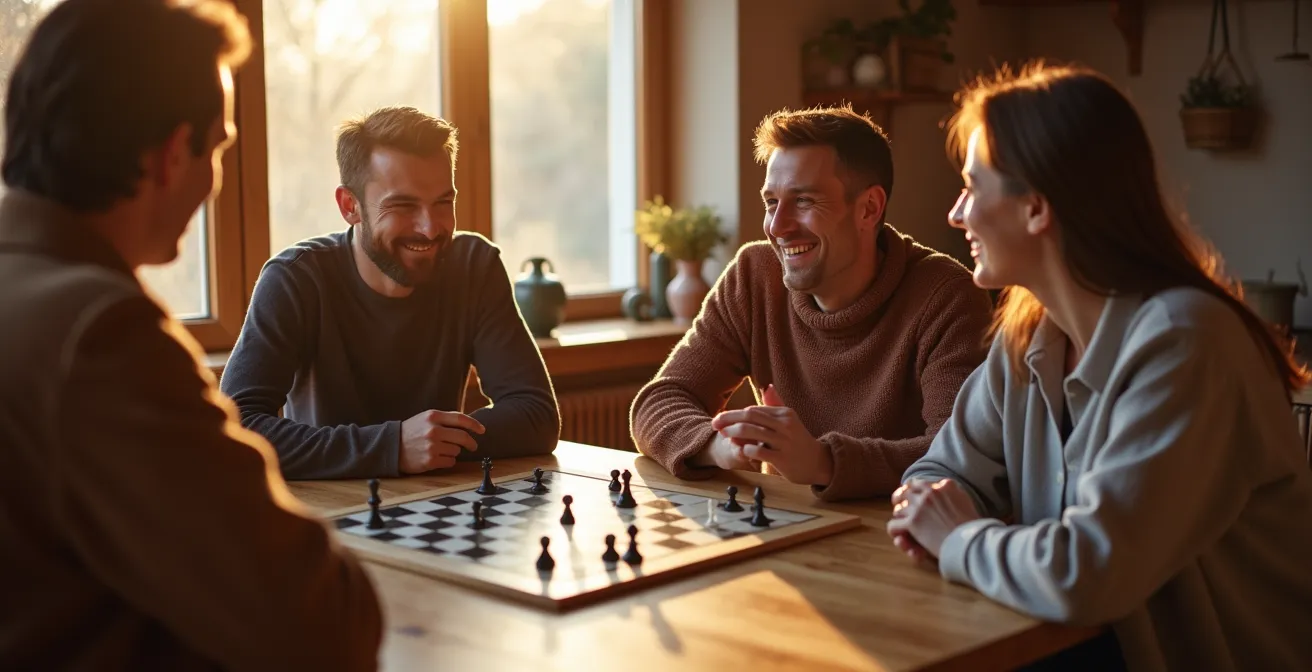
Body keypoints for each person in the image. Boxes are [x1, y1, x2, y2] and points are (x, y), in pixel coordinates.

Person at [888, 62, 1312, 670]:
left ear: (1037, 208)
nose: (957, 214)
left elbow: (1090, 574)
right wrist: (936, 511)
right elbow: (939, 473)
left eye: (973, 188)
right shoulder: (1027, 339)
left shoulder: (1187, 342)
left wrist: (957, 538)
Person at [0, 0, 383, 669]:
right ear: (174, 154)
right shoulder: (102, 335)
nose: (216, 182)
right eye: (222, 147)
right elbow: (326, 622)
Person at [630, 106, 994, 501]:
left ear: (869, 209)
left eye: (803, 201)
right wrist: (720, 445)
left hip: (901, 531)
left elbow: (959, 459)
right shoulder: (754, 276)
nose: (777, 227)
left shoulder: (947, 296)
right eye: (772, 202)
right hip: (790, 525)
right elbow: (658, 401)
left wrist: (824, 462)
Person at [220, 106, 560, 480]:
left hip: (439, 501)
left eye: (443, 203)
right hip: (330, 506)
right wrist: (392, 447)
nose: (429, 228)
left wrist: (434, 444)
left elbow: (537, 415)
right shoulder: (295, 279)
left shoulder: (473, 267)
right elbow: (235, 428)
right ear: (350, 206)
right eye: (403, 206)